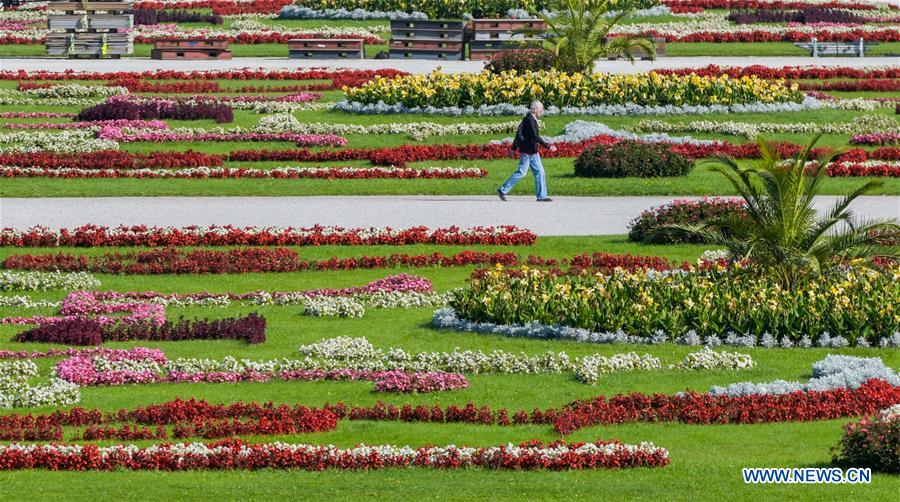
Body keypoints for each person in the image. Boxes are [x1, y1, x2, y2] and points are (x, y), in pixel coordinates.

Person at [497, 100, 557, 202]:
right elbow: (534, 136)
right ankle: (502, 190)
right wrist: (548, 146)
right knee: (522, 173)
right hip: (527, 152)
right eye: (541, 109)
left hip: (533, 152)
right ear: (535, 109)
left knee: (540, 172)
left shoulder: (529, 119)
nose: (542, 112)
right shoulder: (529, 120)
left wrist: (513, 148)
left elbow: (519, 135)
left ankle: (541, 196)